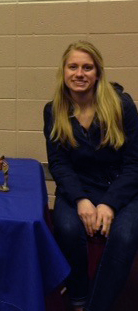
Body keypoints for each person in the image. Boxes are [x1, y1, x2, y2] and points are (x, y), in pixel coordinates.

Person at [43, 41, 138, 311]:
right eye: (73, 67)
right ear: (63, 72)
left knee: (125, 235)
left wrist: (110, 203)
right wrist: (81, 200)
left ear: (98, 73)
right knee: (67, 228)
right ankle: (78, 298)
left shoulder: (122, 105)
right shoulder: (53, 110)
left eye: (87, 67)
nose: (79, 73)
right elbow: (59, 164)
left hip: (121, 186)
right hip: (78, 186)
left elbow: (135, 163)